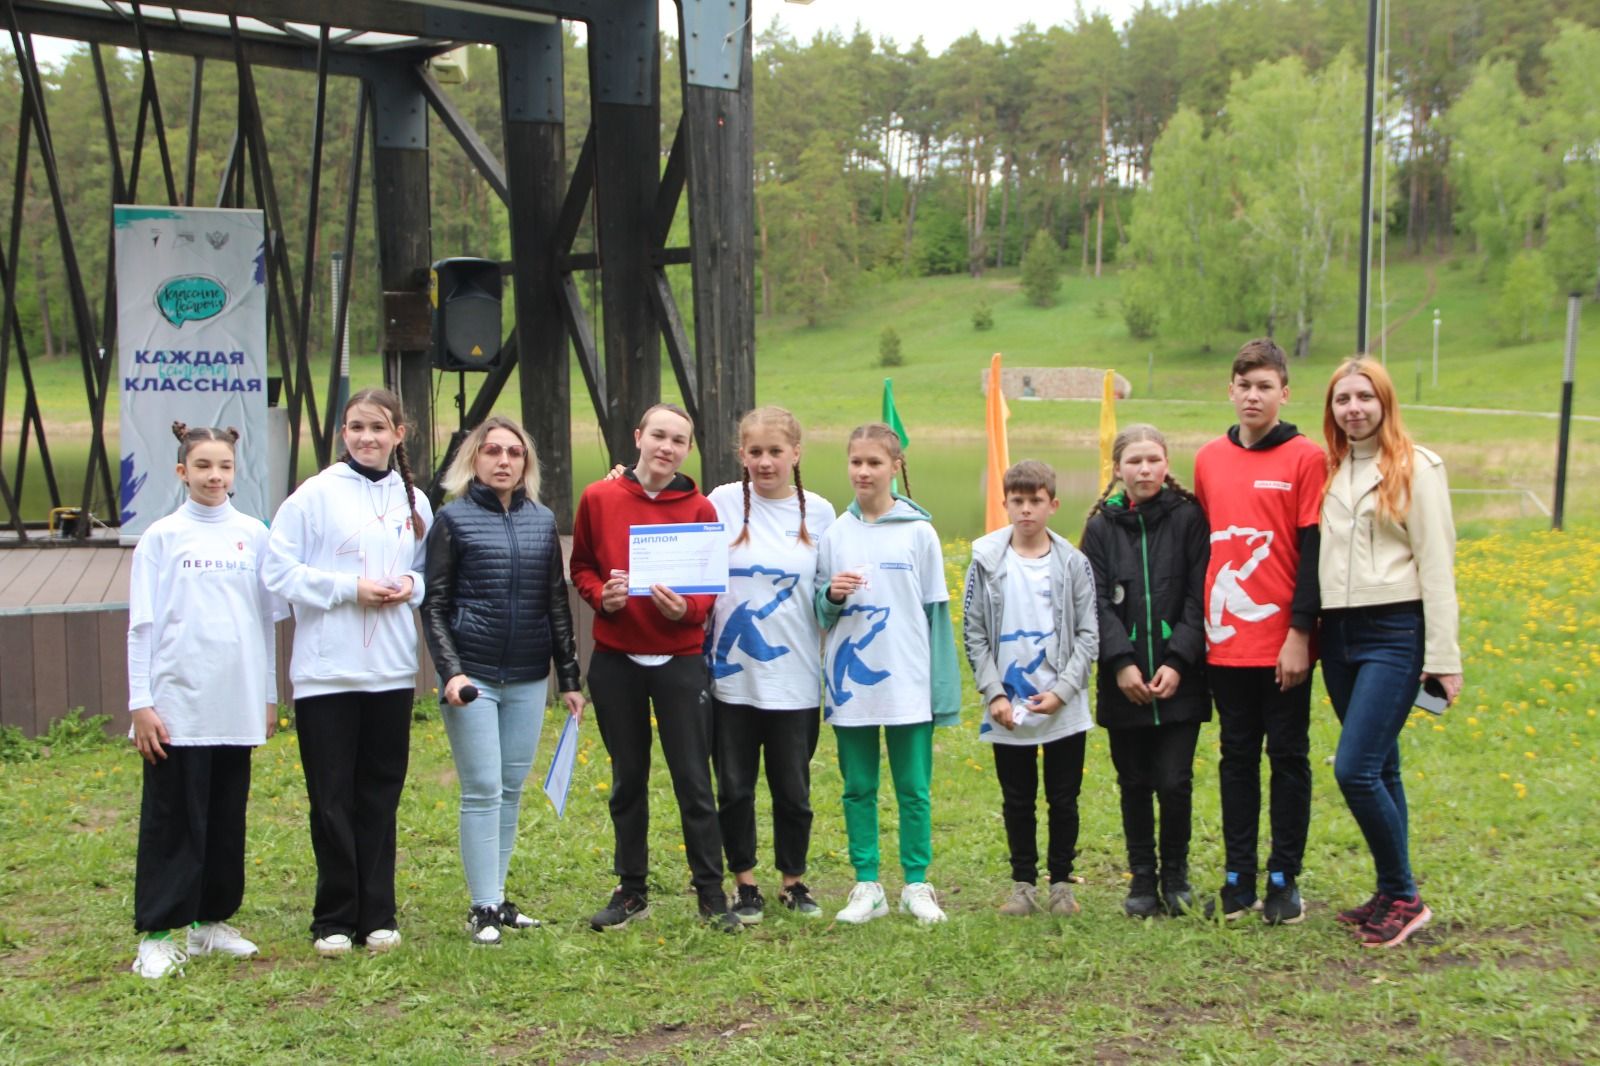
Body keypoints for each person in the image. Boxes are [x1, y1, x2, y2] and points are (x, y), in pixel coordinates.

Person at [264, 387, 431, 957]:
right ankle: (334, 916)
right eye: (357, 427)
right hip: (327, 673)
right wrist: (346, 589)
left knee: (380, 794)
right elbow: (276, 571)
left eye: (379, 428)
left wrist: (410, 587)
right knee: (331, 796)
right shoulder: (312, 496)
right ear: (343, 432)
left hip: (389, 670)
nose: (368, 437)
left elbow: (426, 572)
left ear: (399, 434)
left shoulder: (415, 501)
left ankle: (378, 913)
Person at [569, 403, 738, 932]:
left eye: (679, 441)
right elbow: (582, 567)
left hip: (680, 659)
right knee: (628, 778)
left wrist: (683, 610)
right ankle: (631, 889)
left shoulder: (700, 509)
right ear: (639, 437)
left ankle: (710, 892)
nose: (667, 448)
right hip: (617, 658)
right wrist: (604, 597)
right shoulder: (599, 497)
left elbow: (708, 591)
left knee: (693, 778)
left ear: (688, 451)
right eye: (658, 436)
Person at [126, 423, 285, 979]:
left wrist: (266, 696)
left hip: (235, 703)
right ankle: (160, 931)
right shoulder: (162, 538)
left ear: (235, 471)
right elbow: (140, 628)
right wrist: (140, 702)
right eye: (202, 467)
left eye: (223, 467)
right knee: (173, 818)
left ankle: (210, 923)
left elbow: (266, 623)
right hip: (176, 706)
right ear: (182, 472)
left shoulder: (253, 534)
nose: (214, 477)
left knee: (224, 816)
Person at [421, 416, 585, 946]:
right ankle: (481, 905)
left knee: (511, 789)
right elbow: (436, 604)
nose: (503, 461)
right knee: (483, 788)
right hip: (474, 677)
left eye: (514, 453)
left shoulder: (542, 521)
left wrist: (569, 678)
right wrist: (451, 672)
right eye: (492, 451)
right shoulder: (452, 520)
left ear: (526, 464)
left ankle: (497, 896)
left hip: (528, 677)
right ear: (474, 458)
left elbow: (556, 605)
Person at [1318, 357, 1461, 948]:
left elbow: (1438, 564)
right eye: (1342, 399)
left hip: (1394, 630)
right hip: (1338, 633)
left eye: (1364, 397)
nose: (1353, 409)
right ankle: (1388, 890)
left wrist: (1444, 654)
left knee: (1355, 769)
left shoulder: (1416, 468)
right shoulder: (1327, 470)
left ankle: (1405, 895)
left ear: (1385, 402)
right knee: (1384, 766)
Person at [1192, 338, 1325, 925]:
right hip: (1225, 645)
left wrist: (1300, 633)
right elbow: (1203, 547)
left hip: (1284, 645)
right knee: (1236, 758)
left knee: (1289, 756)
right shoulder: (1207, 459)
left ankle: (1283, 878)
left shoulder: (1306, 458)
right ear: (1230, 389)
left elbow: (1313, 554)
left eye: (1264, 386)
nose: (1253, 396)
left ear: (1284, 393)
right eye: (1244, 385)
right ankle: (1238, 876)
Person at [816, 423, 962, 924]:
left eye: (874, 462)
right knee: (857, 785)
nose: (863, 471)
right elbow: (820, 612)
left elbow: (937, 616)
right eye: (855, 461)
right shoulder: (835, 533)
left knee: (913, 787)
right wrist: (832, 595)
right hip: (851, 685)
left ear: (895, 466)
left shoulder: (920, 533)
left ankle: (917, 884)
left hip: (907, 683)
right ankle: (867, 884)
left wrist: (943, 691)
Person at [705, 406, 837, 923]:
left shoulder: (821, 513)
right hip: (731, 679)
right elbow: (665, 512)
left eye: (775, 452)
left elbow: (829, 590)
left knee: (793, 789)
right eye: (755, 452)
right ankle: (745, 884)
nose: (765, 462)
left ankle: (793, 881)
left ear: (796, 454)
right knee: (734, 787)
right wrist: (621, 480)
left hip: (797, 677)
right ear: (741, 454)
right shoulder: (719, 503)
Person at [1081, 426, 1211, 918]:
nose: (1144, 470)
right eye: (1134, 461)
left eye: (1153, 460)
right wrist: (1120, 663)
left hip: (1181, 678)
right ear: (1118, 469)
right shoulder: (1100, 528)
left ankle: (1176, 876)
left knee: (1174, 780)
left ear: (1166, 464)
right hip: (1125, 682)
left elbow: (1201, 595)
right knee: (1134, 780)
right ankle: (1142, 878)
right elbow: (1093, 602)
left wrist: (1179, 659)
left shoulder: (1189, 519)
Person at [962, 460, 1097, 918]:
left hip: (1062, 702)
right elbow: (975, 633)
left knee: (1063, 797)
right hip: (1009, 703)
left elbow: (1088, 635)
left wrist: (1062, 691)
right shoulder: (985, 560)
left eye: (1035, 501)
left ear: (1052, 505)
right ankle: (1023, 884)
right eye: (1017, 501)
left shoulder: (1073, 563)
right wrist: (994, 693)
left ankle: (1061, 883)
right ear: (1005, 504)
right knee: (1017, 798)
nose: (1025, 510)